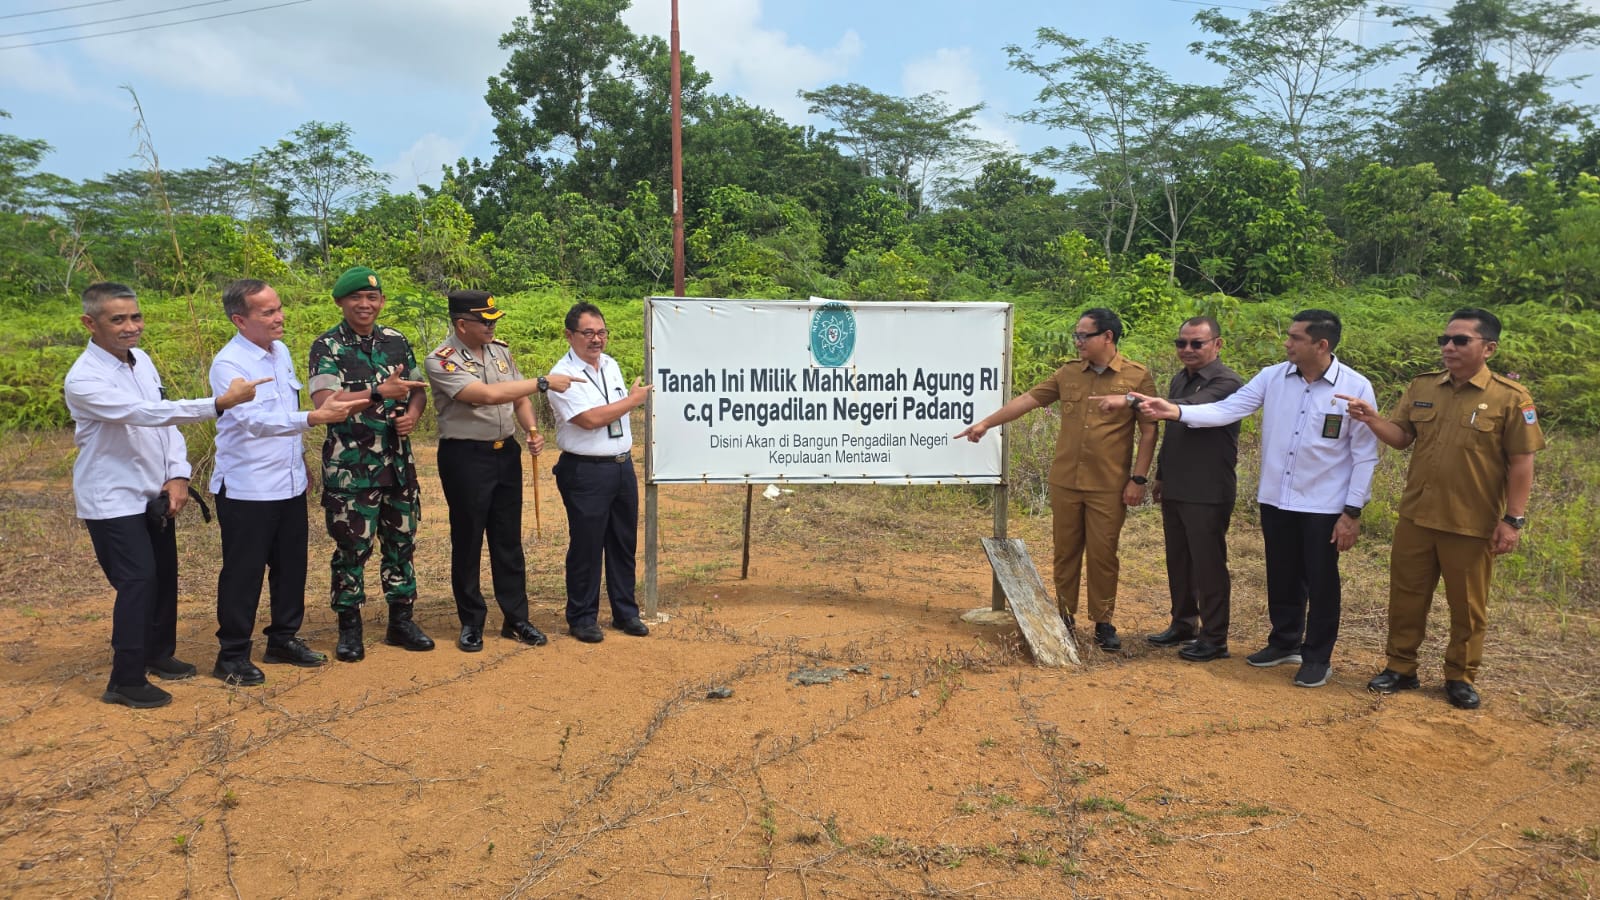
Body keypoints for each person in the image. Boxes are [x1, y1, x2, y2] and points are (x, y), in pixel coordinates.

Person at [1135, 309, 1379, 688]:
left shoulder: (1355, 387)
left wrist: (1352, 510)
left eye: (1295, 338)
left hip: (1324, 503)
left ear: (1321, 344)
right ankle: (1284, 642)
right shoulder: (1273, 377)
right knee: (1281, 574)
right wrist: (1177, 410)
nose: (1286, 342)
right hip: (1277, 497)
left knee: (1321, 581)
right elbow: (1229, 409)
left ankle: (1317, 657)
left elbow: (1364, 454)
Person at [65, 281, 266, 708]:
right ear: (90, 323)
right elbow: (146, 414)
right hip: (112, 496)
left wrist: (177, 475)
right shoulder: (84, 379)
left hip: (153, 490)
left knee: (162, 576)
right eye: (118, 319)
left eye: (135, 317)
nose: (131, 326)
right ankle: (125, 679)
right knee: (137, 580)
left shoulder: (141, 361)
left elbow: (166, 419)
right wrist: (218, 403)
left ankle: (157, 653)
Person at [1341, 309, 1545, 710]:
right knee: (1406, 596)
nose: (1449, 347)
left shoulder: (1510, 398)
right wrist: (1372, 420)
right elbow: (1401, 437)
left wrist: (1513, 520)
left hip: (1471, 522)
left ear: (1488, 348)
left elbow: (1522, 463)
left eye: (1460, 340)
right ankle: (1400, 667)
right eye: (1445, 340)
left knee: (1467, 606)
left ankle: (1460, 677)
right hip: (1417, 515)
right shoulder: (1424, 386)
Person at [957, 308, 1157, 651]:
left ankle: (1103, 622)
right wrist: (987, 423)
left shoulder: (1136, 377)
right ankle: (1064, 616)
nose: (1077, 342)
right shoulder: (1068, 373)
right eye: (1076, 335)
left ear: (1107, 337)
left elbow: (1150, 431)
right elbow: (1028, 399)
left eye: (1084, 336)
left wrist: (1138, 479)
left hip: (1108, 484)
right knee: (1065, 552)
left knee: (1103, 554)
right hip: (1066, 481)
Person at [208, 279, 366, 686]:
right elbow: (253, 422)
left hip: (288, 482)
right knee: (244, 573)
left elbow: (284, 414)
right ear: (240, 320)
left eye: (278, 308)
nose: (279, 317)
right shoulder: (229, 365)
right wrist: (313, 418)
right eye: (268, 312)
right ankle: (232, 654)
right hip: (248, 487)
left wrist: (301, 464)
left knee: (291, 566)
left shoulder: (279, 353)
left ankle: (282, 638)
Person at [425, 290, 584, 652]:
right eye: (484, 320)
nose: (491, 326)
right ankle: (472, 621)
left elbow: (518, 397)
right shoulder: (442, 360)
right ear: (461, 324)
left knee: (507, 539)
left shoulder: (499, 351)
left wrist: (531, 429)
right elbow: (486, 395)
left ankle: (516, 619)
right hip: (466, 457)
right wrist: (544, 381)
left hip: (505, 453)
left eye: (494, 319)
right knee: (468, 539)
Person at [308, 266, 434, 662]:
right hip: (352, 468)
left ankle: (401, 621)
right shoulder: (326, 346)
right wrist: (380, 391)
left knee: (401, 544)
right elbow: (325, 403)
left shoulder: (396, 341)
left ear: (381, 302)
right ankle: (350, 628)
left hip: (397, 464)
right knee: (352, 548)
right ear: (340, 302)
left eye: (372, 297)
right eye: (356, 298)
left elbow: (417, 389)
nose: (365, 304)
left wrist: (413, 414)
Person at [546, 302, 652, 643]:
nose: (596, 339)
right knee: (587, 546)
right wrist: (633, 401)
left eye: (601, 332)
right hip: (585, 471)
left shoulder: (611, 365)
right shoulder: (562, 375)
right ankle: (582, 617)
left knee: (623, 542)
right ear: (569, 335)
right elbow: (589, 420)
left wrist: (627, 400)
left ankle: (625, 612)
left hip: (621, 466)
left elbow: (611, 410)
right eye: (588, 333)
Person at [1146, 317, 1244, 661]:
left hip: (1207, 489)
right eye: (1181, 343)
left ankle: (1214, 637)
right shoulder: (1181, 378)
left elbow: (1194, 411)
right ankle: (1183, 623)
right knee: (1179, 560)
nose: (1187, 349)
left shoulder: (1227, 382)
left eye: (1196, 343)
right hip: (1177, 484)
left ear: (1217, 344)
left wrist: (1149, 405)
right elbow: (1173, 432)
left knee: (1208, 565)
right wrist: (1161, 475)